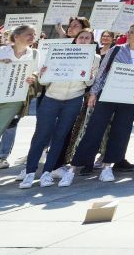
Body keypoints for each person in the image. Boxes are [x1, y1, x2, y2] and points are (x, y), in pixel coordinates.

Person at [64, 22, 134, 186]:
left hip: (129, 98)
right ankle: (74, 167)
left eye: (132, 32)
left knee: (121, 132)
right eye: (129, 30)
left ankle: (108, 166)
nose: (128, 33)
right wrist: (93, 92)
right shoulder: (117, 49)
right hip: (108, 94)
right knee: (94, 129)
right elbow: (102, 72)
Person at [20, 30, 96, 188]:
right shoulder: (60, 52)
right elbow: (43, 80)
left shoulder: (95, 58)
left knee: (60, 137)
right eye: (80, 37)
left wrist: (88, 74)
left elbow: (89, 83)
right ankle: (30, 172)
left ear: (92, 41)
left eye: (87, 38)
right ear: (75, 40)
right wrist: (43, 74)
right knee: (41, 136)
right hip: (51, 98)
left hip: (74, 100)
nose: (83, 40)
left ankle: (47, 172)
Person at [0, 25, 38, 138]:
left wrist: (33, 78)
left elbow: (36, 73)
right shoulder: (1, 51)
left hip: (13, 100)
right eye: (29, 34)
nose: (33, 37)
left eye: (34, 34)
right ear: (16, 36)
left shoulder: (35, 54)